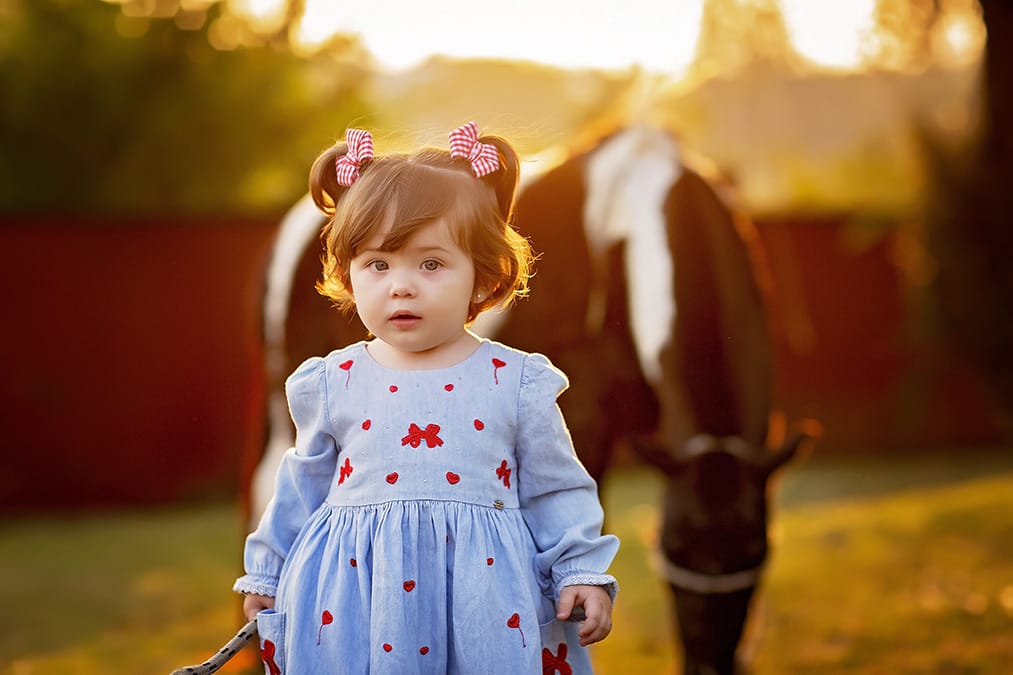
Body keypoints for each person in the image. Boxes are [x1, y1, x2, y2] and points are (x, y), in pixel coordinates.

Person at [234, 122, 619, 674]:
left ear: (485, 278)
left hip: (487, 606)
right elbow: (300, 487)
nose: (401, 285)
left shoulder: (516, 382)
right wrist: (268, 574)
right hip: (354, 606)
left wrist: (581, 571)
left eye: (431, 263)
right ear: (347, 274)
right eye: (377, 265)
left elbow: (556, 487)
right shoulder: (331, 381)